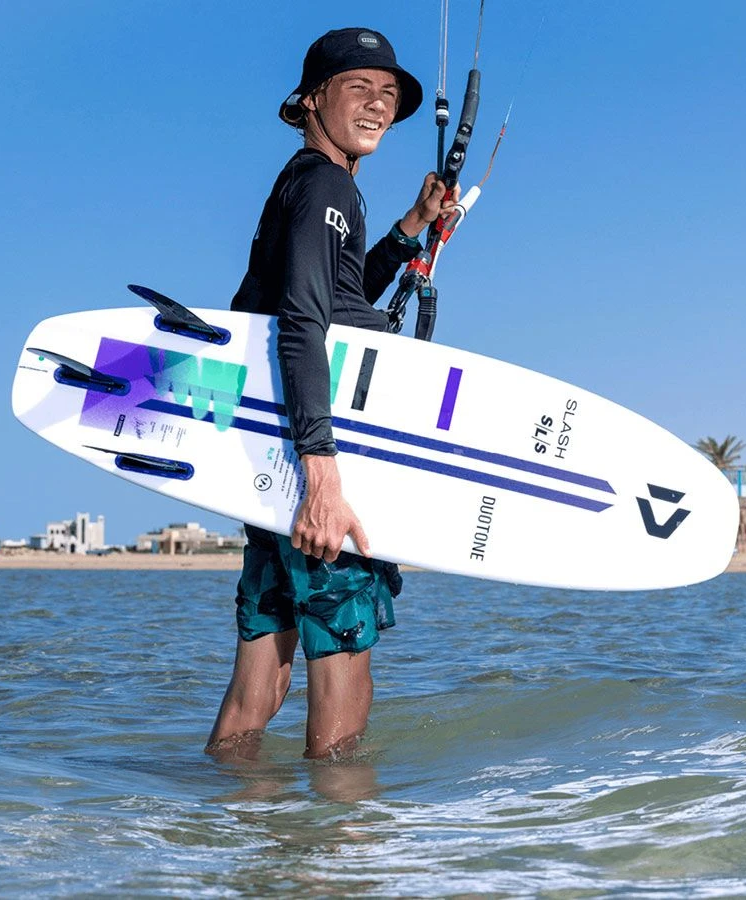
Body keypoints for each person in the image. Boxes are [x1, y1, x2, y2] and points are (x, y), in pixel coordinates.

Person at [206, 28, 457, 759]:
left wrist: (412, 228)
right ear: (313, 98)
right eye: (360, 88)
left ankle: (232, 815)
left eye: (390, 94)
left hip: (271, 468)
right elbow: (303, 324)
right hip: (315, 468)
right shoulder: (326, 185)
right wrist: (322, 479)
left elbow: (337, 299)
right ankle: (339, 830)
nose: (379, 104)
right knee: (342, 695)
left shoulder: (311, 184)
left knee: (257, 687)